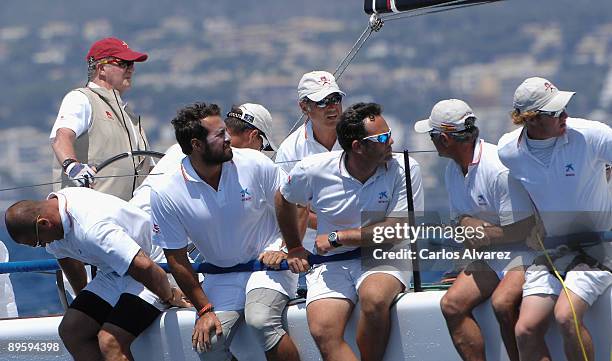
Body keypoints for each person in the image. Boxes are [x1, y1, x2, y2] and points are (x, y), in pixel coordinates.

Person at [150, 102, 300, 361]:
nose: (229, 137)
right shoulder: (165, 192)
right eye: (219, 135)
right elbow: (177, 259)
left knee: (261, 320)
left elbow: (294, 204)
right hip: (222, 276)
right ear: (196, 145)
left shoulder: (254, 163)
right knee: (207, 345)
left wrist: (285, 247)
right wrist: (204, 309)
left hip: (268, 268)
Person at [276, 102, 424, 361]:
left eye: (389, 134)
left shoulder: (405, 168)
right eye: (381, 138)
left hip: (383, 255)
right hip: (332, 264)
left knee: (375, 299)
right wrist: (294, 247)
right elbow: (284, 198)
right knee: (323, 330)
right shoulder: (314, 168)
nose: (391, 142)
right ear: (357, 147)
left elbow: (398, 229)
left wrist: (338, 238)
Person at [497, 77, 612, 361]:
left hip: (599, 247)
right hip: (552, 251)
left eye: (564, 108)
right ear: (530, 120)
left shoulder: (593, 134)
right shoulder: (508, 151)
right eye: (555, 112)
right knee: (525, 330)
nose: (565, 116)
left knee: (565, 316)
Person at [3, 187, 190, 361]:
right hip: (113, 271)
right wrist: (85, 302)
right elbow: (69, 261)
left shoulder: (92, 226)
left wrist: (170, 295)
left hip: (157, 268)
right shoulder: (52, 217)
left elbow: (145, 267)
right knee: (71, 330)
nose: (42, 246)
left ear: (44, 223)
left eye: (37, 243)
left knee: (110, 341)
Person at [414, 99, 536, 361]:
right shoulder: (451, 170)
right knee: (451, 306)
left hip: (523, 254)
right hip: (492, 256)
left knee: (503, 304)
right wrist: (471, 234)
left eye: (433, 136)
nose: (432, 141)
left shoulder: (498, 168)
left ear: (445, 139)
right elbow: (462, 222)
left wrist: (481, 233)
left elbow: (524, 230)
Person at [50, 37, 153, 201]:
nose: (131, 69)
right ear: (102, 68)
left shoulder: (130, 116)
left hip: (129, 217)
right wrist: (73, 167)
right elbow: (61, 138)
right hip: (88, 216)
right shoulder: (81, 98)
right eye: (124, 63)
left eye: (132, 64)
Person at [275, 70, 345, 248]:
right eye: (322, 101)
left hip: (360, 237)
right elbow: (287, 205)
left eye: (335, 99)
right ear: (304, 107)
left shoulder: (359, 138)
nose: (332, 107)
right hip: (311, 247)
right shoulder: (290, 150)